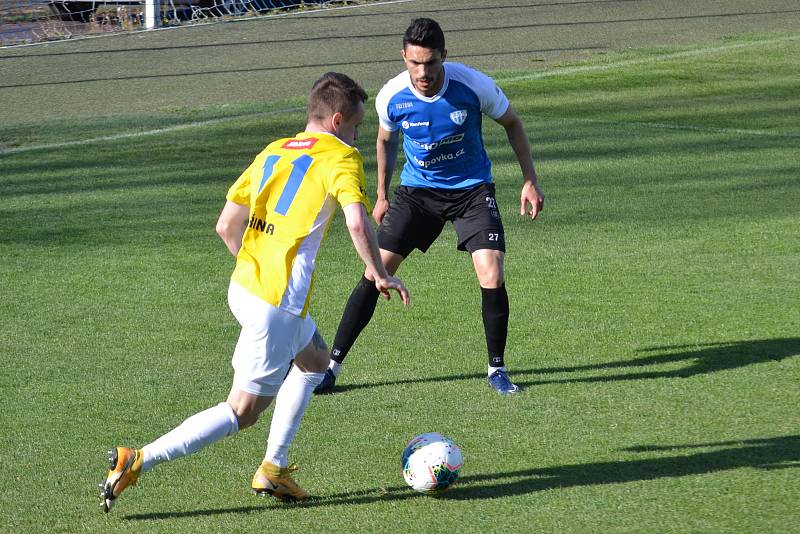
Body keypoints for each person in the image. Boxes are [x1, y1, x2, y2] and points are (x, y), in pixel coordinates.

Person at [99, 72, 409, 512]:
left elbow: (227, 225)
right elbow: (358, 223)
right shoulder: (341, 156)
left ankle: (274, 469)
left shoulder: (273, 150)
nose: (357, 136)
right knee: (241, 412)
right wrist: (380, 273)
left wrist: (257, 274)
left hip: (245, 288)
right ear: (338, 120)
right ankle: (140, 459)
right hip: (276, 305)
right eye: (356, 126)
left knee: (315, 361)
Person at [314, 18, 544, 396]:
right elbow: (385, 141)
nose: (423, 72)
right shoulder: (392, 96)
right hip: (417, 194)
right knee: (376, 271)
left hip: (471, 191)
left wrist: (530, 180)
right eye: (415, 63)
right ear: (404, 56)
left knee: (492, 271)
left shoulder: (472, 85)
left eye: (431, 63)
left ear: (444, 57)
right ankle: (331, 368)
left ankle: (496, 370)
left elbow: (513, 124)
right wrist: (383, 195)